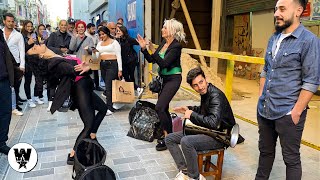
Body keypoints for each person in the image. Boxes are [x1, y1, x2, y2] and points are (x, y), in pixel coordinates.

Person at [256, 0, 320, 180]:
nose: (276, 13)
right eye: (276, 9)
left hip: (288, 113)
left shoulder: (309, 41)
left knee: (291, 159)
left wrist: (296, 111)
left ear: (299, 11)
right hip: (265, 110)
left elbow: (311, 81)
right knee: (265, 154)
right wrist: (261, 98)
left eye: (282, 9)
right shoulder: (273, 38)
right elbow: (266, 70)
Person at [26, 43, 107, 165]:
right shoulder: (54, 63)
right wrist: (88, 68)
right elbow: (75, 71)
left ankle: (92, 135)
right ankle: (73, 154)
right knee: (88, 124)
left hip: (85, 88)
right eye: (34, 49)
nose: (36, 45)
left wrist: (87, 65)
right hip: (81, 90)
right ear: (40, 55)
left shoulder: (55, 57)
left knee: (103, 109)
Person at [165, 67, 236, 180]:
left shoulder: (216, 96)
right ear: (192, 86)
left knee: (186, 142)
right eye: (195, 85)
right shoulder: (206, 93)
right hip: (208, 131)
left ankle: (195, 177)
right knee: (169, 138)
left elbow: (213, 122)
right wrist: (188, 108)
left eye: (201, 82)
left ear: (205, 79)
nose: (200, 87)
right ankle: (185, 171)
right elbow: (205, 110)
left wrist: (192, 114)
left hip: (220, 136)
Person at [136, 18, 185, 151]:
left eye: (165, 27)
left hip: (173, 79)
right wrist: (144, 49)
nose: (162, 29)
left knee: (159, 107)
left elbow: (164, 63)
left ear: (172, 31)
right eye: (163, 27)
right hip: (163, 79)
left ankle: (168, 137)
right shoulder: (164, 42)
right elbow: (152, 59)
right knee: (164, 108)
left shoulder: (176, 46)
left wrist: (151, 48)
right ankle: (167, 135)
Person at [0, 28, 23, 155]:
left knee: (5, 112)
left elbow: (8, 56)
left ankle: (1, 142)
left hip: (3, 80)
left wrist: (16, 70)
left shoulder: (0, 35)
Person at [93, 26, 122, 116]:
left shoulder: (114, 42)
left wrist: (120, 69)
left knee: (108, 86)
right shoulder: (99, 43)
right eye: (100, 35)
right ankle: (112, 104)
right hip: (103, 65)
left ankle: (109, 107)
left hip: (112, 65)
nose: (102, 36)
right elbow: (95, 58)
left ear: (107, 33)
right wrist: (93, 52)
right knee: (107, 85)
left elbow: (118, 56)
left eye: (103, 34)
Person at [46, 19, 72, 111]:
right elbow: (49, 47)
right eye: (62, 25)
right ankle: (51, 101)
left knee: (64, 81)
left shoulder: (70, 36)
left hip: (65, 61)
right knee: (53, 81)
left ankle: (64, 100)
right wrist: (60, 50)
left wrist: (67, 51)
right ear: (59, 25)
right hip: (54, 61)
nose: (64, 27)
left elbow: (71, 48)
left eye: (65, 25)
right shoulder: (53, 35)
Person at [2, 13, 26, 108]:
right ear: (4, 21)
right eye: (8, 21)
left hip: (15, 63)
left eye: (12, 21)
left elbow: (22, 50)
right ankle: (8, 105)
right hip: (3, 63)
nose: (11, 23)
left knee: (16, 85)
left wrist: (22, 65)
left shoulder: (18, 35)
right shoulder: (1, 33)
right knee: (5, 85)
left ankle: (15, 105)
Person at [21, 20, 44, 107]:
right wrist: (28, 43)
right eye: (28, 26)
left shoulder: (34, 35)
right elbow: (22, 49)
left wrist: (39, 44)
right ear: (24, 27)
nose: (30, 28)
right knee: (28, 80)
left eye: (31, 26)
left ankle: (36, 96)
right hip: (27, 61)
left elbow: (37, 45)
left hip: (36, 60)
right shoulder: (21, 36)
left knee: (38, 79)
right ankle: (29, 99)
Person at [116, 25, 143, 96]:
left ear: (123, 31)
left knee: (131, 76)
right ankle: (136, 88)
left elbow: (137, 42)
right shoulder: (117, 40)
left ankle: (135, 90)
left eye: (119, 31)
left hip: (130, 60)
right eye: (117, 31)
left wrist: (143, 41)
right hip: (123, 61)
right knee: (126, 77)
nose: (118, 32)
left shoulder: (128, 39)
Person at [85, 23, 104, 91]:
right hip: (87, 55)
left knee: (96, 70)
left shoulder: (95, 36)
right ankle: (90, 85)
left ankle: (97, 85)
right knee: (88, 71)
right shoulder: (85, 36)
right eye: (92, 29)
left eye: (94, 28)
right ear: (88, 29)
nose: (94, 30)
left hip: (95, 54)